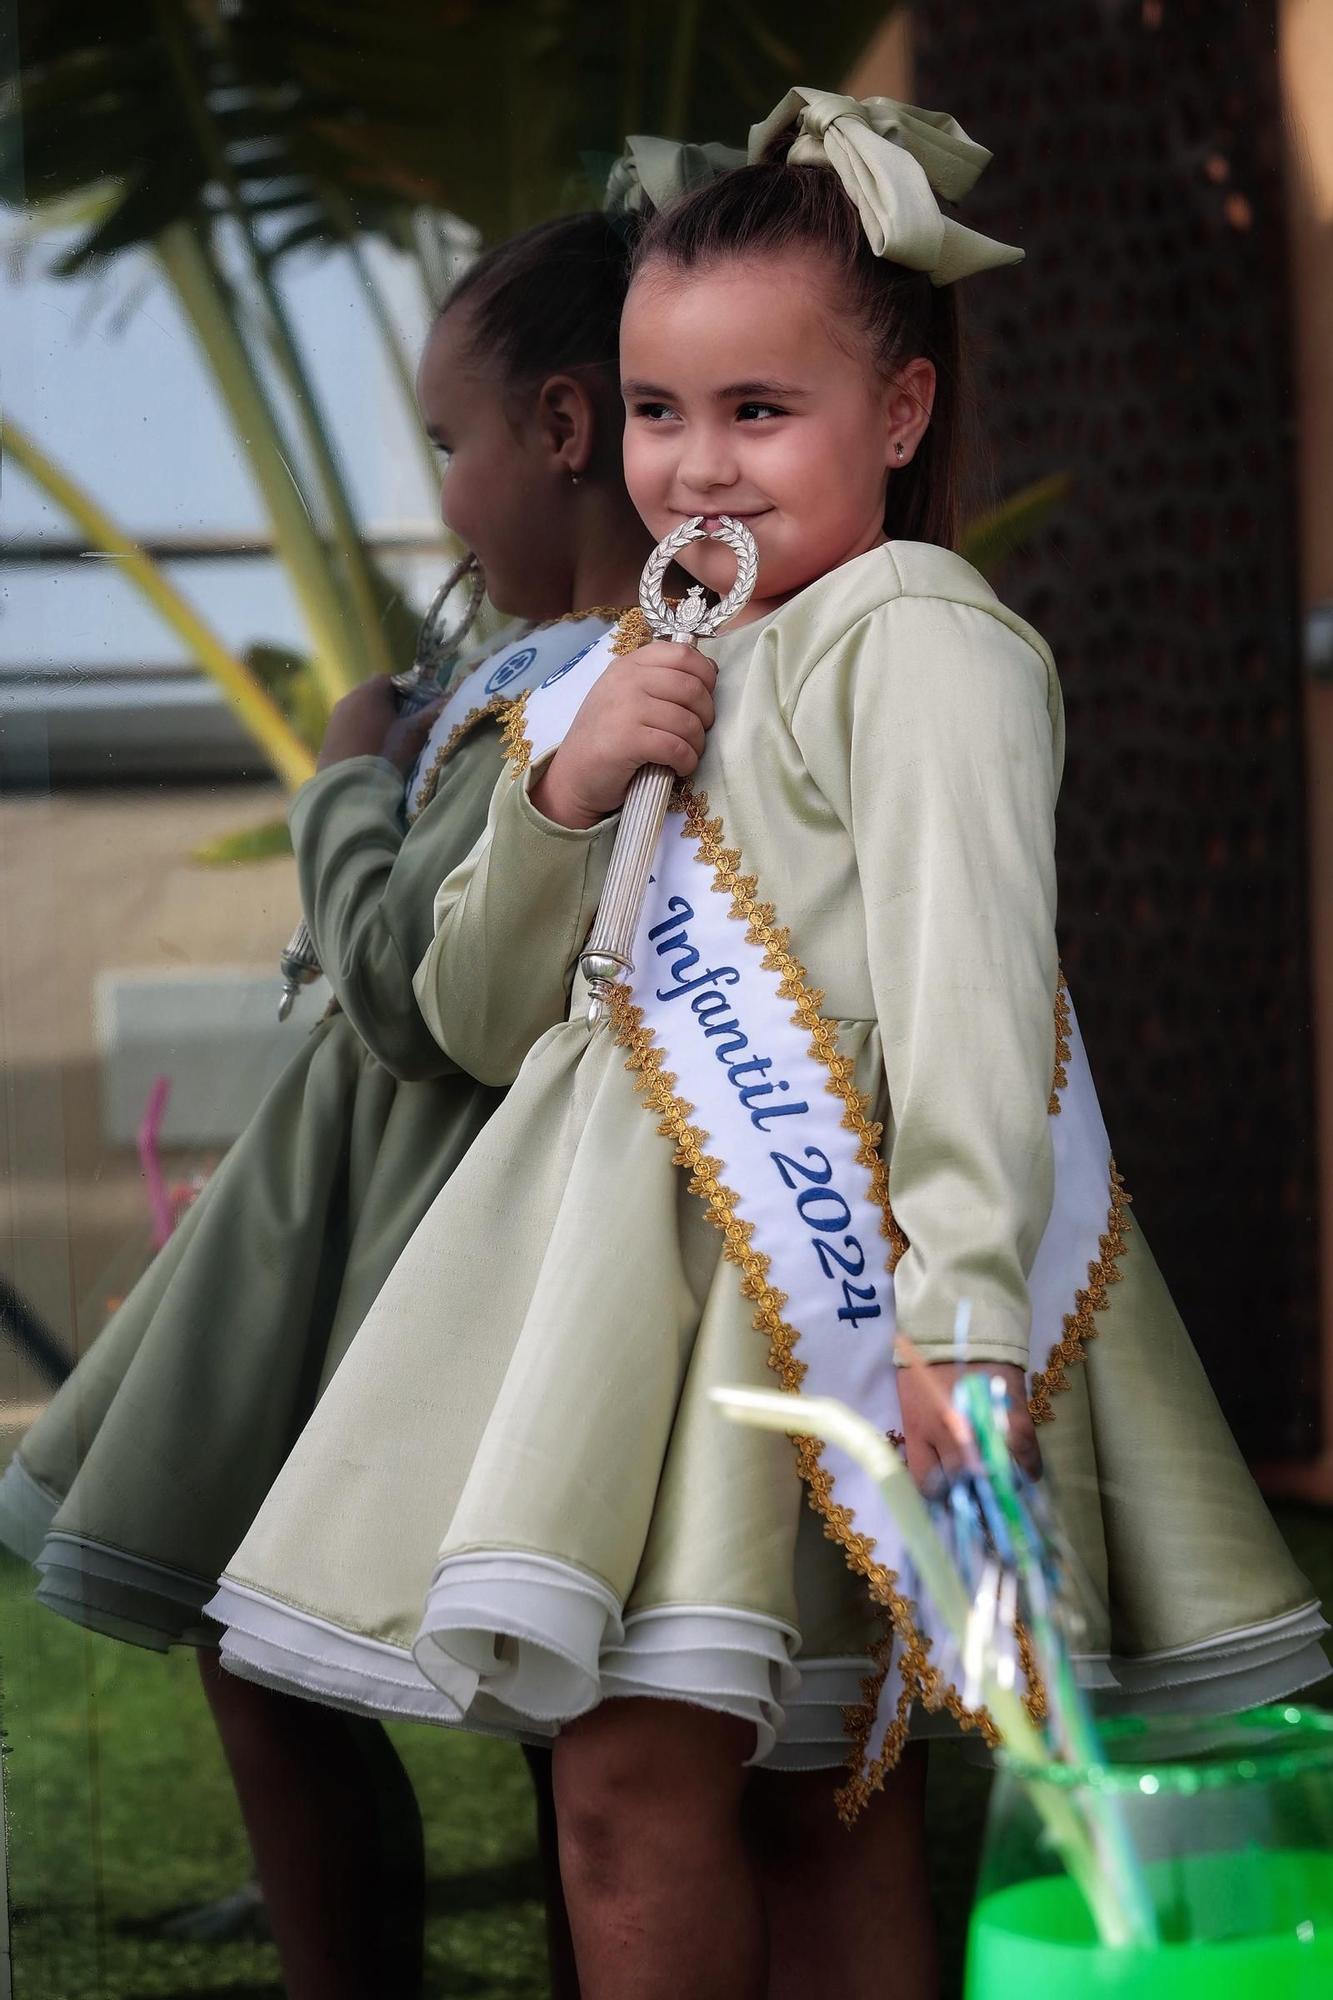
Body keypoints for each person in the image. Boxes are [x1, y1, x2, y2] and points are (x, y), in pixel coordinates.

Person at [207, 91, 1327, 1999]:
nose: (695, 469)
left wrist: (962, 1327)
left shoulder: (920, 634)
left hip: (823, 1287)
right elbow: (476, 1021)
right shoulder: (643, 656)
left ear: (896, 415)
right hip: (629, 1301)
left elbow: (981, 989)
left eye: (757, 412)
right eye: (656, 414)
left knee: (657, 1792)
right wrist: (564, 789)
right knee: (784, 1787)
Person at [0, 206, 663, 2000]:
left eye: (450, 444)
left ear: (560, 427)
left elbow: (401, 980)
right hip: (425, 1233)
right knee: (523, 1691)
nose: (442, 494)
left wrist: (340, 784)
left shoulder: (580, 699)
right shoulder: (582, 677)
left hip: (428, 1258)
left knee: (269, 1648)